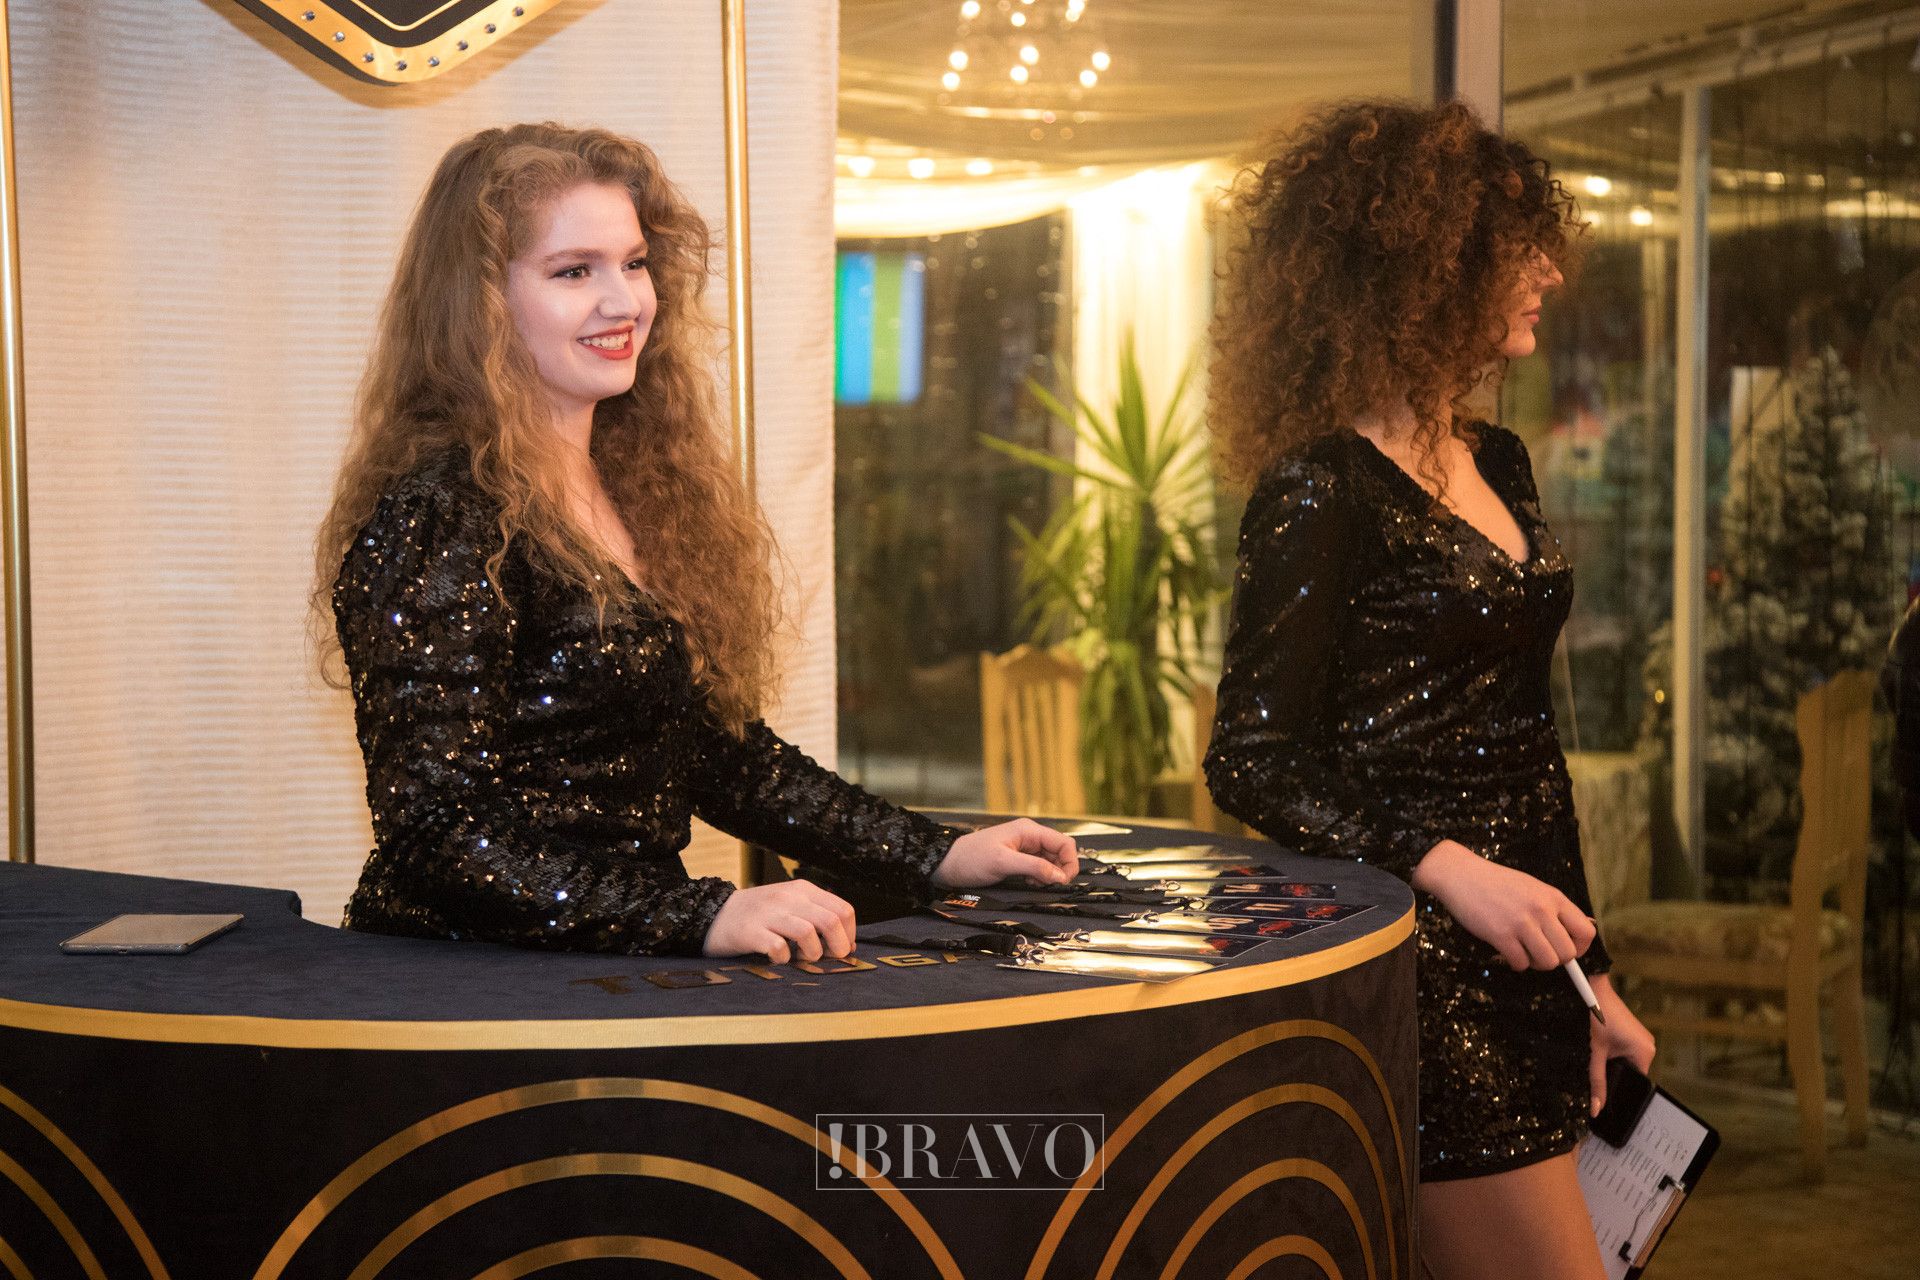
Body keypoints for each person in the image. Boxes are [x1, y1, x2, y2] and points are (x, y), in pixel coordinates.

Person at [313, 122, 1076, 962]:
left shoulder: (631, 482)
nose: (624, 302)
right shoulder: (438, 514)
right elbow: (437, 833)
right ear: (480, 301)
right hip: (476, 982)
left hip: (612, 964)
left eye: (634, 263)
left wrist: (936, 854)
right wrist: (700, 915)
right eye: (574, 271)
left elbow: (717, 757)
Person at [1203, 101, 1656, 1279]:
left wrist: (1594, 971)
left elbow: (1525, 745)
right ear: (1426, 264)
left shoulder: (1497, 455)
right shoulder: (1321, 487)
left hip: (1528, 954)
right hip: (1425, 963)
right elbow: (1252, 755)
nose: (1549, 270)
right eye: (1518, 246)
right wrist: (1450, 867)